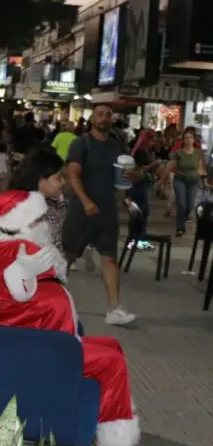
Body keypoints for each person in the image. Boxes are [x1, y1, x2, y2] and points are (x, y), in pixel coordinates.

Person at [0, 151, 164, 446]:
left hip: (49, 348)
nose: (44, 227)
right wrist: (22, 274)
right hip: (34, 357)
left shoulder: (25, 256)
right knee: (109, 361)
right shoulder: (12, 262)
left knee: (112, 348)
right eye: (38, 222)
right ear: (18, 224)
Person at [63, 104, 136, 326]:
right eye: (100, 114)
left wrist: (135, 175)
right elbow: (72, 175)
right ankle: (49, 301)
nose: (104, 118)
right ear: (92, 118)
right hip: (81, 210)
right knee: (66, 256)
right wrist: (85, 201)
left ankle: (114, 308)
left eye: (108, 114)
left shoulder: (117, 146)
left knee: (109, 257)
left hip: (107, 210)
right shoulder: (81, 144)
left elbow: (129, 172)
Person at [170, 127, 206, 237]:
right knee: (181, 203)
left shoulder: (198, 153)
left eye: (190, 138)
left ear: (194, 140)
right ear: (183, 140)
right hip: (180, 179)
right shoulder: (178, 153)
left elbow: (200, 168)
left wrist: (204, 180)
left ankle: (183, 219)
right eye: (186, 138)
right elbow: (172, 166)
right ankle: (180, 228)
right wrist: (164, 178)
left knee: (190, 205)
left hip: (193, 181)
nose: (188, 140)